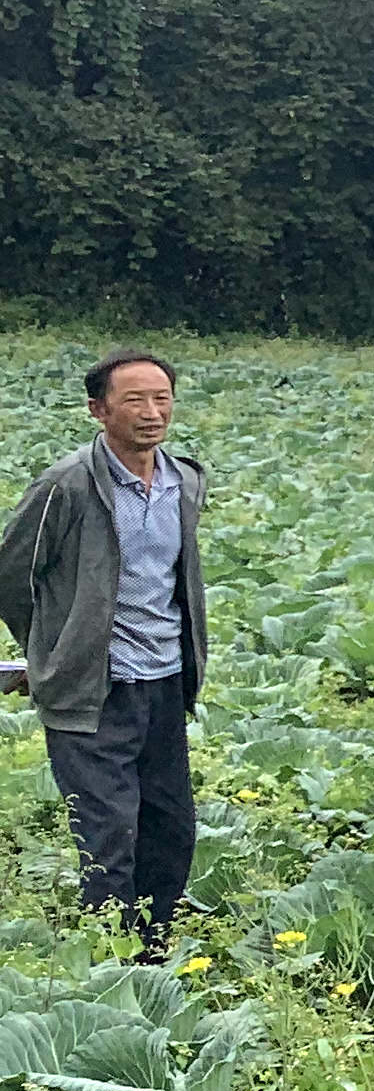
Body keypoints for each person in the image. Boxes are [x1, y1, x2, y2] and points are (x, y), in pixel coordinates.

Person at [0, 351, 206, 948]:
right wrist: (57, 646)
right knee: (107, 834)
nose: (152, 412)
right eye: (134, 400)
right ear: (99, 410)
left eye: (162, 398)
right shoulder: (65, 486)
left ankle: (156, 946)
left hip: (165, 679)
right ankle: (110, 957)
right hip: (93, 688)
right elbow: (13, 576)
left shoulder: (185, 480)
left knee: (169, 827)